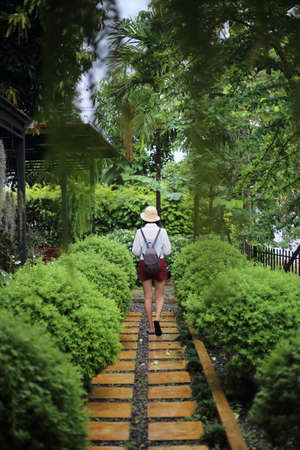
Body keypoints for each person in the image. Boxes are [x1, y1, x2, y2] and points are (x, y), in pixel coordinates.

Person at [132, 205, 171, 336]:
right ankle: (157, 319)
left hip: (145, 264)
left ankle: (151, 328)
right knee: (159, 296)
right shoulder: (163, 232)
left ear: (144, 218)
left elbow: (136, 252)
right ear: (156, 219)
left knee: (147, 297)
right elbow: (168, 251)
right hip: (159, 263)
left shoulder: (139, 232)